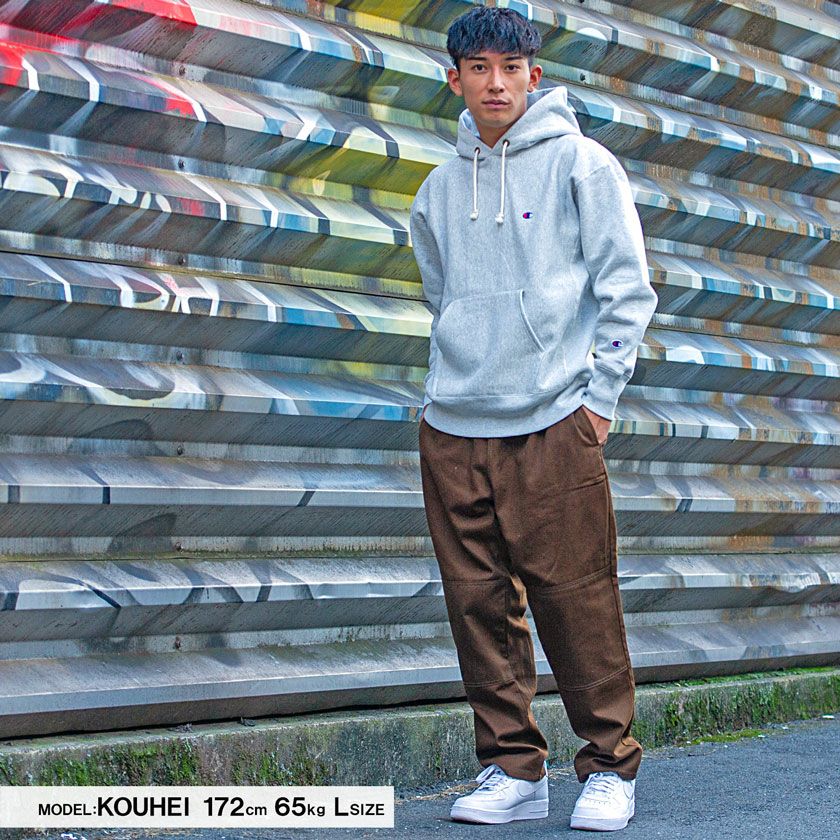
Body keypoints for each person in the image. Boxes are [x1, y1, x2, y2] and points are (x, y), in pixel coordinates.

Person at [409, 5, 659, 833]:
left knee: (577, 599)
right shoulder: (438, 189)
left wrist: (598, 404)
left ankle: (609, 766)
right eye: (479, 68)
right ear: (454, 79)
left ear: (534, 76)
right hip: (454, 423)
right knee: (476, 604)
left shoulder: (583, 166)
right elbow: (443, 295)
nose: (496, 83)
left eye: (511, 68)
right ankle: (512, 769)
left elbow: (627, 289)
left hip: (554, 419)